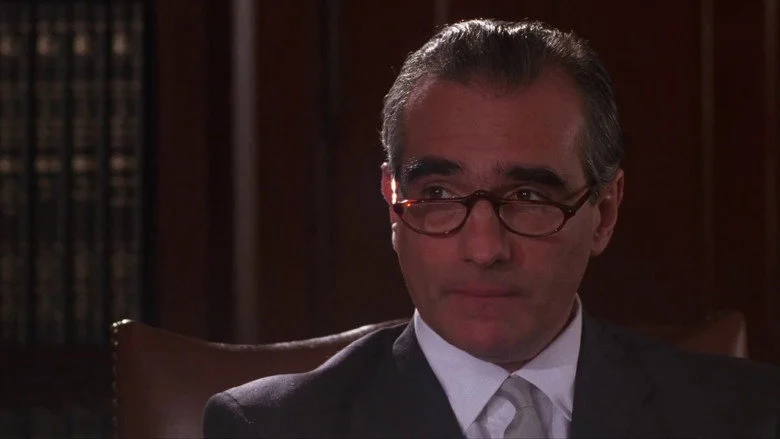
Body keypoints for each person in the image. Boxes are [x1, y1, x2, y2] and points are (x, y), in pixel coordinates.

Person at [203, 19, 780, 438]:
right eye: (438, 194)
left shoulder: (751, 416)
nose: (484, 249)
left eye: (529, 197)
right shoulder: (271, 428)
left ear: (604, 212)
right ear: (393, 204)